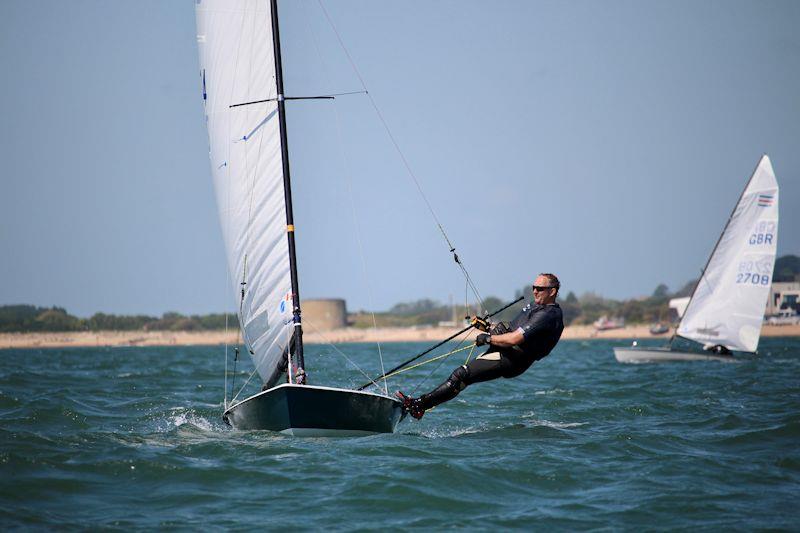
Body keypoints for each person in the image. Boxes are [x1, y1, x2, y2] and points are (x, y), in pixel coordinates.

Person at [397, 273, 565, 419]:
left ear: (553, 291)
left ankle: (418, 406)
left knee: (461, 375)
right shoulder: (537, 307)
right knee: (462, 378)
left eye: (540, 288)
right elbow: (510, 330)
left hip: (511, 359)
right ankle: (419, 406)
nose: (535, 291)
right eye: (533, 287)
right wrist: (487, 328)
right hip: (504, 350)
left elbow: (514, 339)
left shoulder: (548, 315)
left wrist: (487, 339)